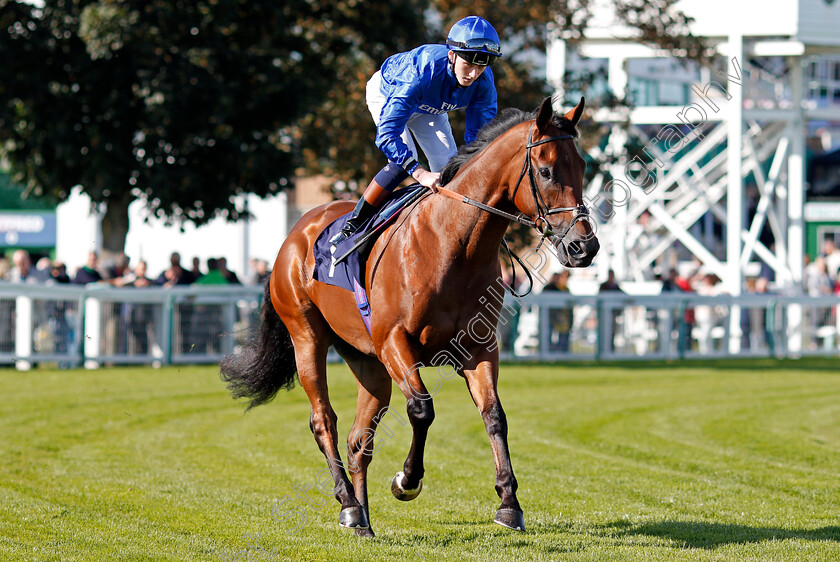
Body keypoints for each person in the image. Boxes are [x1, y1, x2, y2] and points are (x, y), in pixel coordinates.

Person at [330, 15, 502, 244]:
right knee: (402, 164)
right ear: (451, 55)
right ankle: (353, 225)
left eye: (481, 66)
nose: (473, 74)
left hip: (429, 108)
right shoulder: (421, 71)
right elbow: (387, 134)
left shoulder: (484, 83)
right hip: (390, 96)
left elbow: (477, 141)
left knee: (453, 171)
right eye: (468, 64)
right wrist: (419, 173)